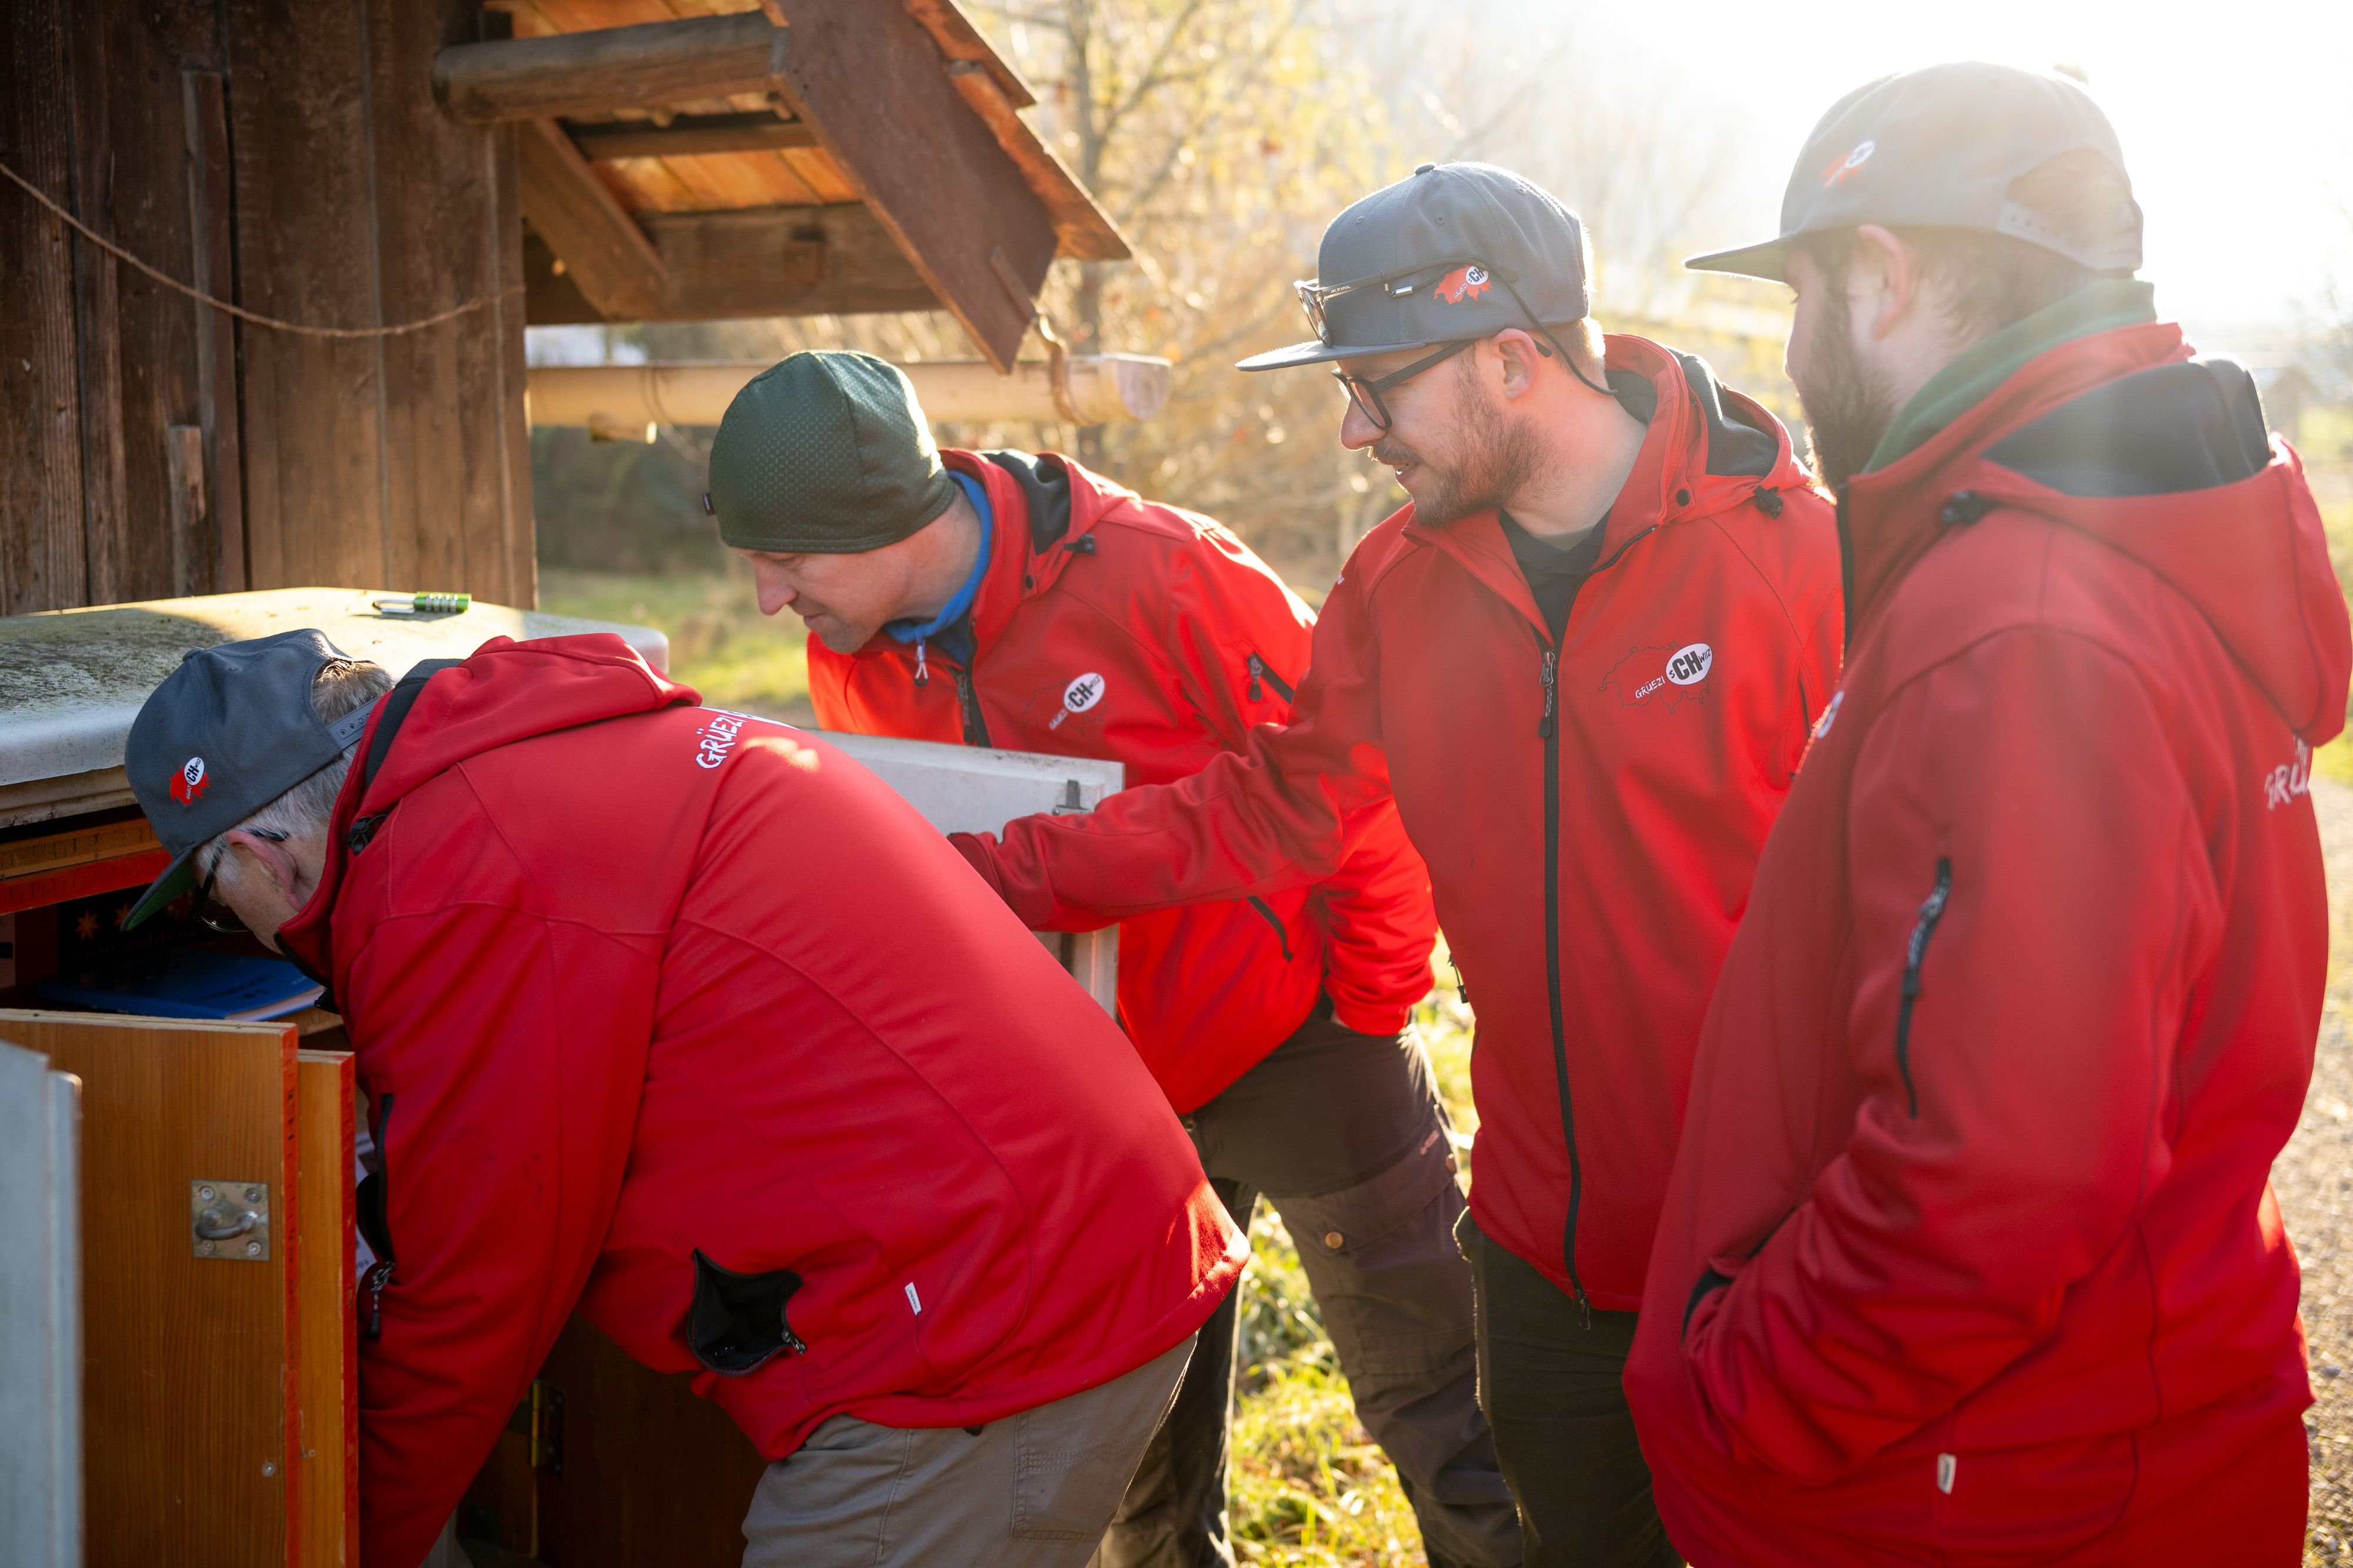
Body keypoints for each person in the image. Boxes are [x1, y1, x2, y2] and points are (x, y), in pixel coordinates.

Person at [949, 163, 1844, 1564]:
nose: (1354, 431)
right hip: (1540, 1252)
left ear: (1512, 358)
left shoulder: (1803, 565)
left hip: (1767, 1241)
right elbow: (1273, 808)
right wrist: (991, 870)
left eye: (1375, 387)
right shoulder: (1399, 583)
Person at [1624, 62, 2352, 1564]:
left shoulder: (2019, 617)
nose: (1793, 348)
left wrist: (1737, 1396)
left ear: (1880, 277)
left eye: (1802, 295)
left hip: (1987, 1488)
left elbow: (1996, 1179)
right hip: (2104, 1428)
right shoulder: (2134, 535)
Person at [117, 627, 1245, 1568]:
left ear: (261, 851)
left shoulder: (448, 880)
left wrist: (342, 1537)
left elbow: (473, 1287)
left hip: (987, 1333)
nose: (237, 928)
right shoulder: (533, 758)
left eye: (214, 899)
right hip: (1062, 1240)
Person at [702, 349, 1515, 1568]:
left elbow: (1359, 777)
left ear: (881, 520)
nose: (769, 598)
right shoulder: (851, 654)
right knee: (1136, 1468)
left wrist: (1368, 1004)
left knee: (1442, 1407)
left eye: (787, 561)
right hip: (1094, 1101)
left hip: (1298, 1041)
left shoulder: (1167, 574)